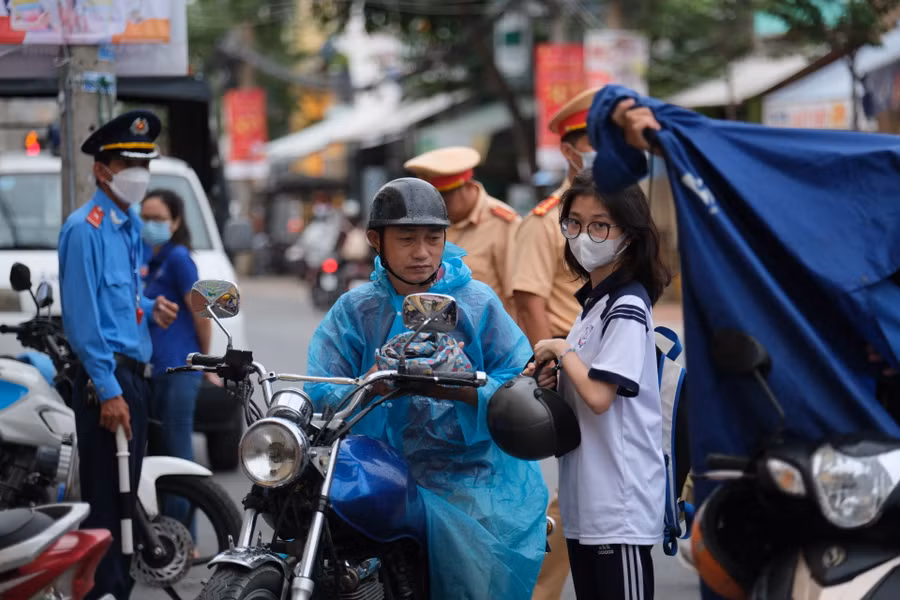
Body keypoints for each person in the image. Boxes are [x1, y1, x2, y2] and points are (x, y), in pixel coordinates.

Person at [305, 177, 548, 599]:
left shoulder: (476, 302)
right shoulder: (356, 309)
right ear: (375, 241)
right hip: (378, 469)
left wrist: (464, 389)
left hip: (470, 473)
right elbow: (322, 385)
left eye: (433, 238)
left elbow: (517, 376)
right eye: (406, 239)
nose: (422, 252)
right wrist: (367, 387)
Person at [528, 168, 670, 600]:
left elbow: (600, 396)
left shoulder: (627, 305)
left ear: (629, 232)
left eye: (599, 225)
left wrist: (559, 348)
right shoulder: (595, 305)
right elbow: (581, 386)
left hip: (618, 506)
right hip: (587, 504)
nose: (584, 236)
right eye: (574, 224)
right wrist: (554, 377)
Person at [58, 109, 179, 600]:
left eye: (144, 163)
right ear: (101, 170)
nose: (139, 174)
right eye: (128, 163)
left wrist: (150, 308)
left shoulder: (126, 224)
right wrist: (108, 391)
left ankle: (118, 590)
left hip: (135, 378)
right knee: (108, 506)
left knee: (127, 504)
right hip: (107, 384)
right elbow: (84, 324)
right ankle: (103, 594)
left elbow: (117, 300)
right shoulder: (83, 230)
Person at [511, 86, 600, 600]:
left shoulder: (621, 213)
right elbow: (529, 301)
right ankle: (535, 589)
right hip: (573, 365)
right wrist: (550, 366)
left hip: (617, 364)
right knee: (576, 495)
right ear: (570, 151)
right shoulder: (546, 222)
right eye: (596, 144)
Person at [140, 189, 219, 527]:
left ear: (174, 222)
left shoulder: (179, 259)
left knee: (178, 454)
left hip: (181, 369)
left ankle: (185, 536)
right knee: (161, 455)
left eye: (158, 219)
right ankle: (172, 531)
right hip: (157, 370)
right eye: (145, 217)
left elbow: (201, 312)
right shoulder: (150, 260)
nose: (150, 224)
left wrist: (204, 361)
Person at [403, 146, 521, 317]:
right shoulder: (429, 223)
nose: (436, 208)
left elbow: (518, 298)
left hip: (487, 337)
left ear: (464, 187)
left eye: (443, 200)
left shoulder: (503, 224)